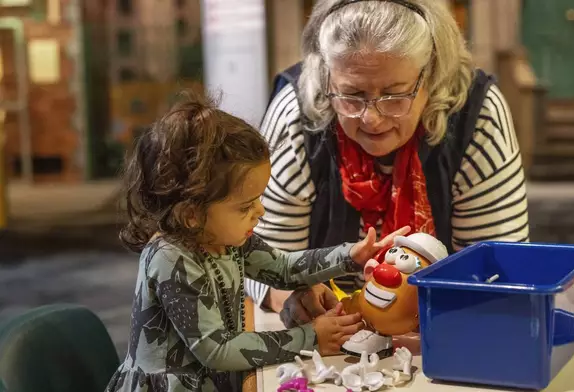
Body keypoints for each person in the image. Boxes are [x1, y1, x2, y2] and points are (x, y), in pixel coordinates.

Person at [247, 0, 530, 329]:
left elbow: (496, 270)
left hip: (446, 328)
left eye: (395, 94)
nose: (372, 118)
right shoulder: (296, 117)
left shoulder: (476, 118)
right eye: (351, 95)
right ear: (326, 77)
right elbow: (261, 263)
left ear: (432, 75)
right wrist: (297, 298)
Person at [105, 93, 410, 392]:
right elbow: (218, 350)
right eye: (245, 206)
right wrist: (309, 337)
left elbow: (282, 268)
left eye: (259, 199)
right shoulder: (172, 260)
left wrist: (351, 255)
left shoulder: (226, 238)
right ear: (191, 214)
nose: (260, 211)